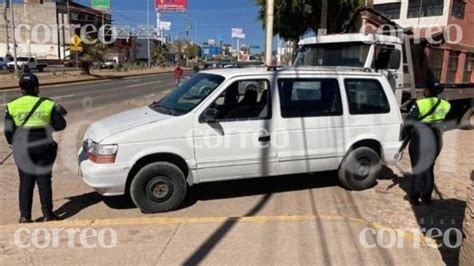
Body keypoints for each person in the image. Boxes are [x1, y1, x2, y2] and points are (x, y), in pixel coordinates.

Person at [4, 73, 67, 223]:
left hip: (22, 147)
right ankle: (48, 215)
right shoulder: (47, 104)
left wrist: (14, 143)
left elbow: (8, 130)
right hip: (44, 146)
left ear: (21, 89)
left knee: (25, 181)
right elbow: (61, 124)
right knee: (44, 181)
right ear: (37, 88)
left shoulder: (12, 105)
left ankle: (25, 217)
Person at [405, 82, 451, 205]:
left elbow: (409, 122)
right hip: (436, 138)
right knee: (429, 168)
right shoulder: (446, 104)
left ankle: (414, 196)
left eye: (425, 89)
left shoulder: (420, 103)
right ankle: (426, 197)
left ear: (428, 91)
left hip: (420, 137)